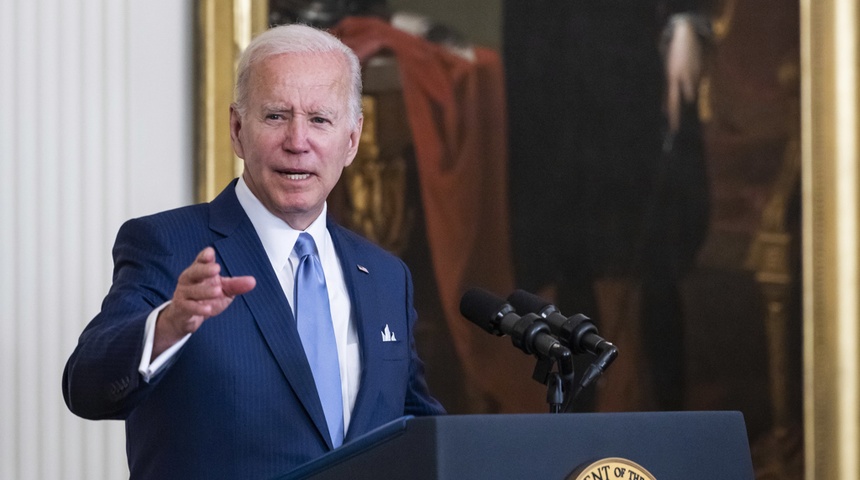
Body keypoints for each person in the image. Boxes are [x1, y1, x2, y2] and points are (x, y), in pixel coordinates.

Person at [62, 23, 444, 479]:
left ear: (352, 139)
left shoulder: (385, 275)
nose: (298, 141)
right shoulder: (168, 245)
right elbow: (85, 386)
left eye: (320, 119)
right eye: (276, 116)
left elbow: (420, 430)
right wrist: (168, 325)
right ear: (238, 129)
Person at [503, 1, 712, 411]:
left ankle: (669, 424)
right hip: (546, 61)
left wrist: (685, 25)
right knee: (568, 257)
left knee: (655, 255)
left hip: (630, 62)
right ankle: (578, 435)